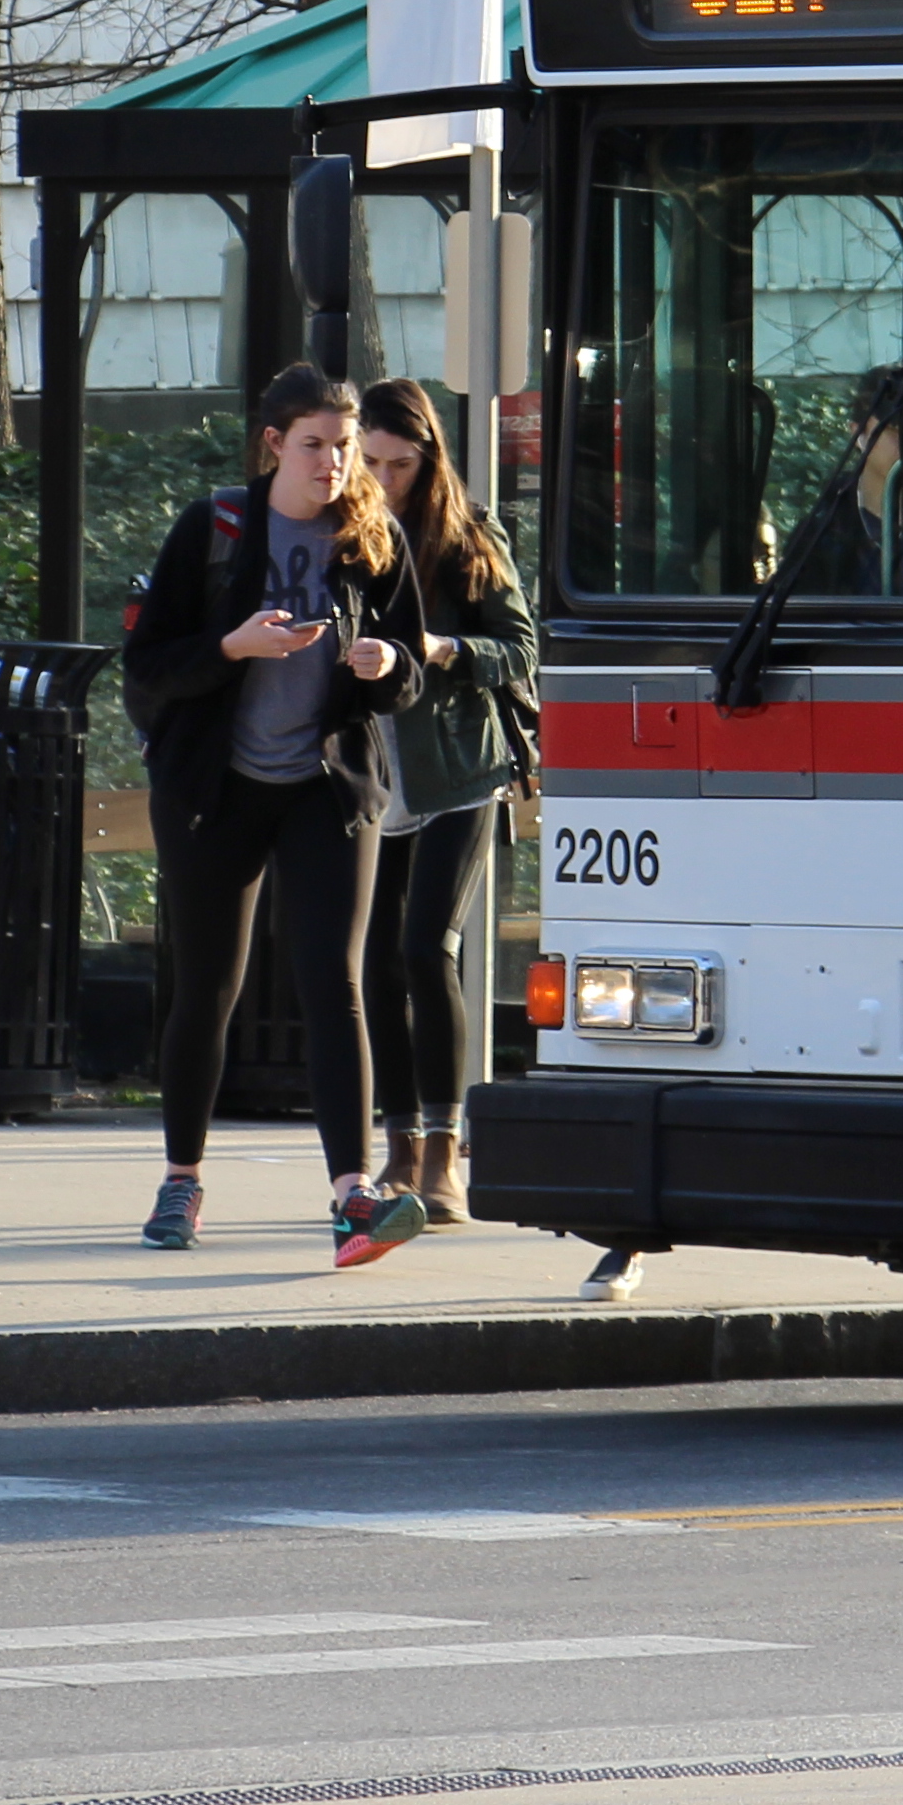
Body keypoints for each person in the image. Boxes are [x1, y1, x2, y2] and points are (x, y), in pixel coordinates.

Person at [118, 361, 430, 1261]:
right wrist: (232, 645)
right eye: (315, 447)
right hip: (214, 791)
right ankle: (181, 1184)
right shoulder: (214, 527)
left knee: (334, 983)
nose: (333, 465)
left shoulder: (372, 538)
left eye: (343, 448)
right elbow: (150, 666)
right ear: (274, 445)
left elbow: (408, 669)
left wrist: (384, 668)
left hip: (325, 788)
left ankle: (353, 1199)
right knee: (207, 986)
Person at [355, 377, 535, 1229]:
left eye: (401, 464)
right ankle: (393, 1147)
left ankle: (442, 1154)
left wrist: (444, 646)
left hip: (459, 767)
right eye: (371, 462)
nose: (384, 479)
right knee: (374, 962)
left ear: (430, 460)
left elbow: (521, 647)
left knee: (428, 948)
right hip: (371, 769)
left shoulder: (466, 533)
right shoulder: (338, 531)